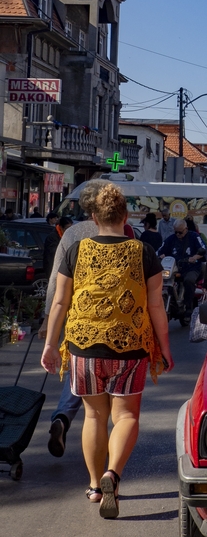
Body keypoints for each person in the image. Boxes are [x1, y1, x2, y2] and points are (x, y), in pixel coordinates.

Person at [40, 184, 173, 518]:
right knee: (126, 416)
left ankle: (94, 486)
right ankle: (112, 474)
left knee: (94, 416)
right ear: (125, 216)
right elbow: (156, 306)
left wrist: (50, 344)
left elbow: (60, 302)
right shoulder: (144, 252)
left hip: (84, 345)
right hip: (130, 347)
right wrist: (164, 348)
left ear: (94, 217)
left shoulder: (77, 250)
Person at [40, 180, 109, 458]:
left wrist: (48, 322)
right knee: (109, 385)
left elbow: (56, 284)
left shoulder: (73, 233)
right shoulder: (122, 232)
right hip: (115, 319)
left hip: (77, 317)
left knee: (78, 373)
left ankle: (62, 417)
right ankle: (105, 447)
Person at [159, 218, 206, 311]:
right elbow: (160, 250)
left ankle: (188, 307)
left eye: (180, 232)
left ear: (186, 229)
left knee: (189, 280)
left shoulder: (194, 237)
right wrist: (160, 256)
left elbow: (203, 249)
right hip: (175, 268)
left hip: (191, 268)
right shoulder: (171, 239)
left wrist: (195, 257)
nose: (178, 234)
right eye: (176, 232)